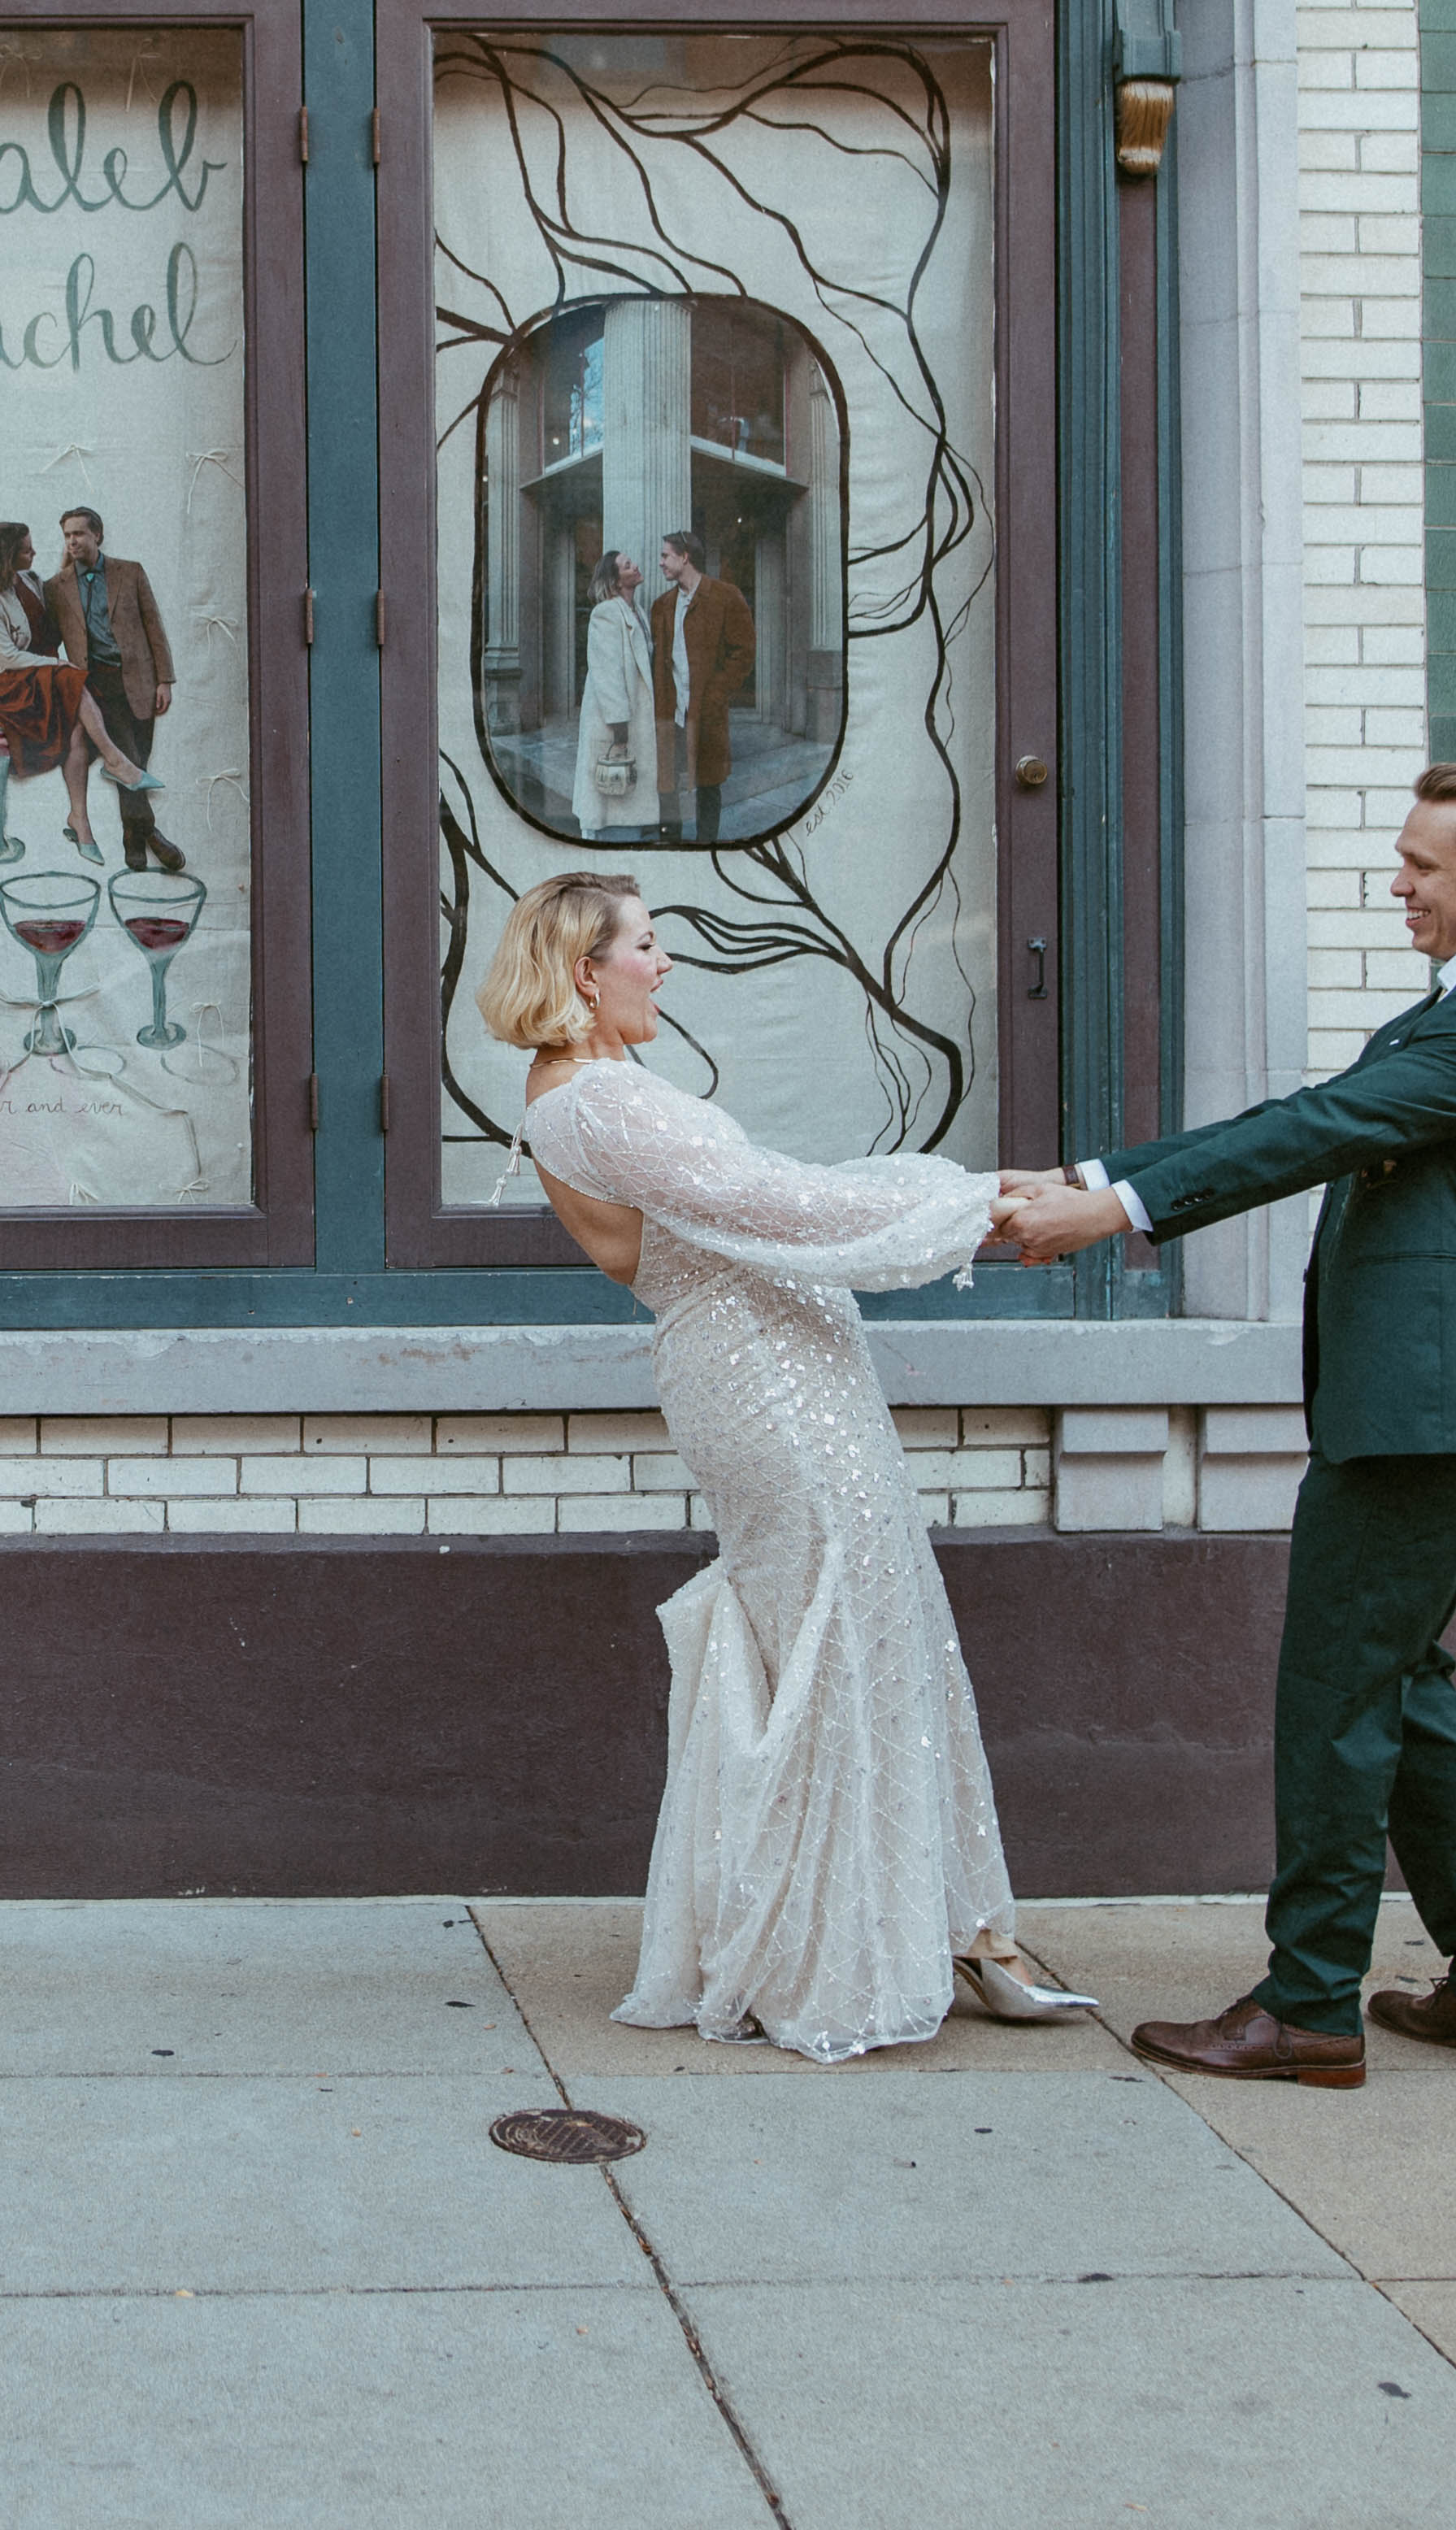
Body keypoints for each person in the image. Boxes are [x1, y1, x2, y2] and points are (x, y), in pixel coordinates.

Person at [994, 759, 1456, 2088]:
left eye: (1420, 866)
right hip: (1423, 1399)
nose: (1397, 884)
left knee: (1335, 1693)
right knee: (1398, 1681)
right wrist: (1102, 1178)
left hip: (1425, 1409)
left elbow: (1317, 1127)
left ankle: (1310, 1999)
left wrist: (1113, 1204)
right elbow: (1318, 1120)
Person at [495, 871, 1098, 2059]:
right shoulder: (600, 1105)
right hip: (767, 1383)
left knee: (863, 1629)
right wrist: (979, 1202)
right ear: (584, 971)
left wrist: (962, 1198)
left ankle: (943, 1932)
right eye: (648, 946)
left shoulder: (593, 1094)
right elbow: (783, 1204)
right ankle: (846, 1950)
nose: (664, 966)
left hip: (777, 1371)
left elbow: (773, 1207)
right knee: (845, 1634)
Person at [0, 519, 166, 861]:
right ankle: (117, 762)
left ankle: (80, 819)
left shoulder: (29, 581)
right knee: (73, 679)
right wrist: (58, 665)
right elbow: (8, 657)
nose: (35, 552)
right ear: (9, 555)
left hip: (37, 672)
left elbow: (58, 597)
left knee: (76, 730)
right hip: (2, 680)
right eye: (27, 549)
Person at [42, 504, 186, 875]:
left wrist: (165, 679)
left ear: (97, 535)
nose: (72, 541)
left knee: (136, 760)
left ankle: (133, 838)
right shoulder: (56, 587)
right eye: (67, 535)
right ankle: (153, 837)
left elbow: (154, 625)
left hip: (137, 680)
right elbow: (47, 642)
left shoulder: (130, 572)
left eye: (79, 533)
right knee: (125, 758)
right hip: (94, 686)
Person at [649, 528, 754, 843]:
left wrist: (716, 694)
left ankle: (705, 849)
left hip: (706, 713)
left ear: (685, 557)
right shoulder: (662, 606)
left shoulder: (726, 597)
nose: (660, 563)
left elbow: (744, 653)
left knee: (708, 786)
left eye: (665, 555)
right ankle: (671, 849)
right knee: (666, 786)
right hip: (671, 713)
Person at [574, 550, 658, 840]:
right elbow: (607, 675)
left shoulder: (637, 611)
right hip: (615, 724)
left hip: (630, 718)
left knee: (627, 801)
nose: (636, 565)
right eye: (627, 565)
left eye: (633, 562)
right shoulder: (606, 612)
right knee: (610, 805)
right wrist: (620, 730)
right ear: (615, 580)